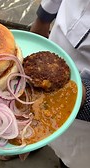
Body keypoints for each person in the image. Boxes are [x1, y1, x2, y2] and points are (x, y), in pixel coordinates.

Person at [30, 0, 90, 167]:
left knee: (73, 159)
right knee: (36, 122)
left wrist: (81, 96)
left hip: (84, 129)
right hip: (55, 45)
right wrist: (42, 20)